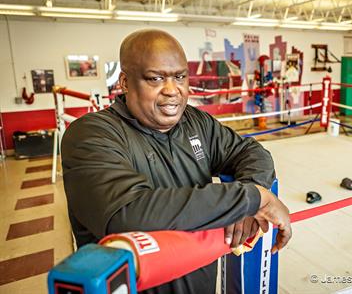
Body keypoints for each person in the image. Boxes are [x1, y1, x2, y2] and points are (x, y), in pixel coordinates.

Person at [61, 29, 292, 293]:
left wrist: (248, 199)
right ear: (125, 82)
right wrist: (252, 198)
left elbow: (252, 153)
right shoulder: (90, 134)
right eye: (156, 78)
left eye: (180, 77)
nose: (173, 90)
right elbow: (128, 213)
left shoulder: (196, 122)